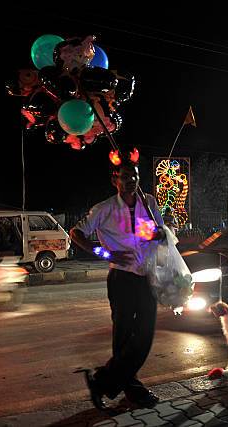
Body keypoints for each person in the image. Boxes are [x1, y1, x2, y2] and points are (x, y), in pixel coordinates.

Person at [70, 151, 164, 410]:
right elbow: (76, 232)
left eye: (134, 176)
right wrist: (104, 252)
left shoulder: (150, 203)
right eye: (125, 177)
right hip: (121, 277)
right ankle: (132, 390)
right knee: (123, 337)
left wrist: (159, 234)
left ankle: (102, 381)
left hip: (147, 276)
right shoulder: (104, 208)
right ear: (115, 180)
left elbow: (163, 231)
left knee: (144, 336)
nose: (131, 181)